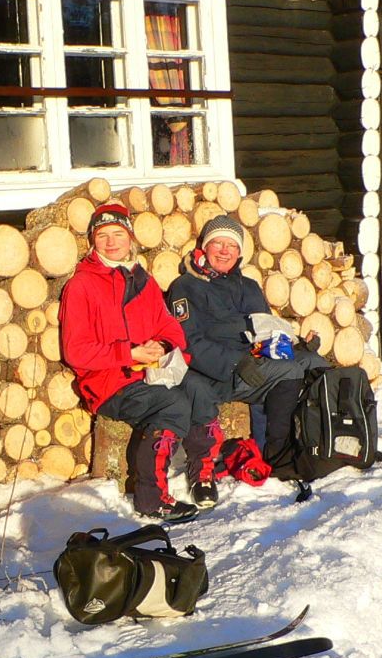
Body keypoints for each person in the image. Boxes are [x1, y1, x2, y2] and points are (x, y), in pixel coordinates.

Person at [59, 202, 223, 522]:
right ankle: (151, 499)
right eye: (102, 235)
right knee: (173, 404)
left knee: (199, 390)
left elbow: (170, 327)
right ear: (93, 241)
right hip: (109, 383)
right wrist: (129, 353)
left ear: (130, 237)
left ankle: (202, 473)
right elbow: (75, 351)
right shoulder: (81, 285)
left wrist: (161, 346)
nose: (111, 242)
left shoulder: (141, 279)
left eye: (118, 234)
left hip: (148, 371)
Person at [166, 214, 329, 472]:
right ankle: (276, 454)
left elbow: (268, 329)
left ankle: (326, 441)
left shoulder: (249, 286)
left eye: (231, 245)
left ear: (240, 251)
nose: (224, 251)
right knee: (288, 371)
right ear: (204, 248)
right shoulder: (186, 287)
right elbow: (188, 342)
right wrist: (235, 363)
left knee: (315, 363)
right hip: (217, 374)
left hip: (255, 360)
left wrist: (297, 345)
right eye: (217, 244)